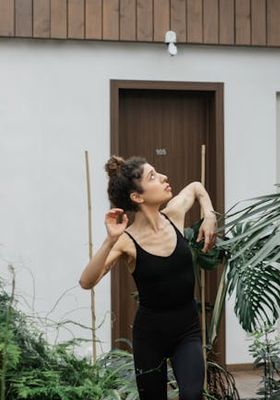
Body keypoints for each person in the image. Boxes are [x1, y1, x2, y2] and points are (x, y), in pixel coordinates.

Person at [79, 155, 217, 400]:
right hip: (150, 338)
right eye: (153, 176)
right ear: (137, 197)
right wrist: (110, 239)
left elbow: (196, 187)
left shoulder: (174, 215)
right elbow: (86, 281)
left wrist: (209, 214)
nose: (164, 178)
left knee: (192, 395)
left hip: (187, 330)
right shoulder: (126, 241)